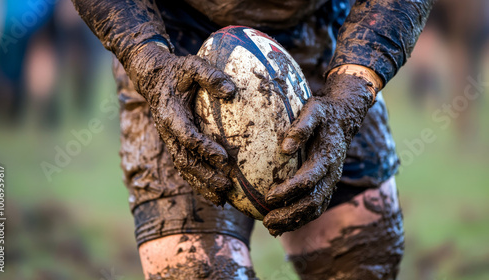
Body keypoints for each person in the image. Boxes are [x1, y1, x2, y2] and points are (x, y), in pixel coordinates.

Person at [71, 0, 433, 279]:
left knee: (362, 256)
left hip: (321, 31)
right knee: (198, 269)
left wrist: (352, 90)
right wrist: (147, 59)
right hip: (172, 37)